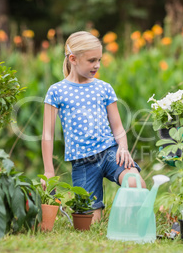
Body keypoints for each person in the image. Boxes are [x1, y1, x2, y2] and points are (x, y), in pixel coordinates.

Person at [42, 31, 145, 222]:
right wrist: (49, 172)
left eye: (99, 59)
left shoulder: (103, 88)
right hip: (82, 163)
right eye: (91, 60)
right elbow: (47, 134)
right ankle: (100, 216)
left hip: (110, 153)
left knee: (135, 182)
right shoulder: (57, 91)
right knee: (88, 222)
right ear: (73, 59)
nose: (97, 65)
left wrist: (123, 147)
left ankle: (129, 224)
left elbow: (118, 128)